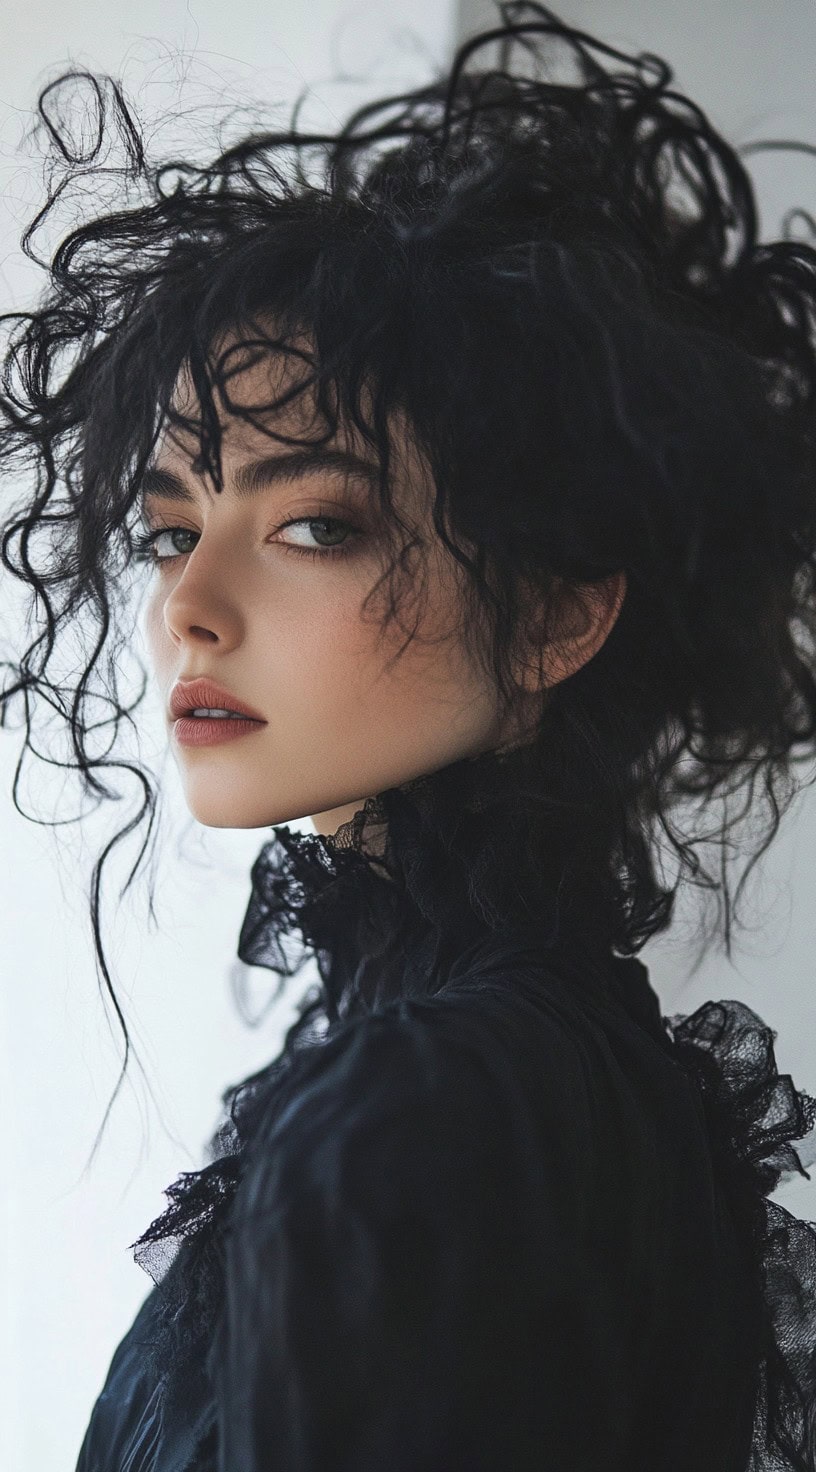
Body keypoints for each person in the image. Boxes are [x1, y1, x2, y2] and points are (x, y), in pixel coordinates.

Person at [2, 2, 816, 1466]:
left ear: (561, 619)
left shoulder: (428, 1107)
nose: (189, 604)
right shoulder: (567, 1070)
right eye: (172, 528)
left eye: (315, 523)